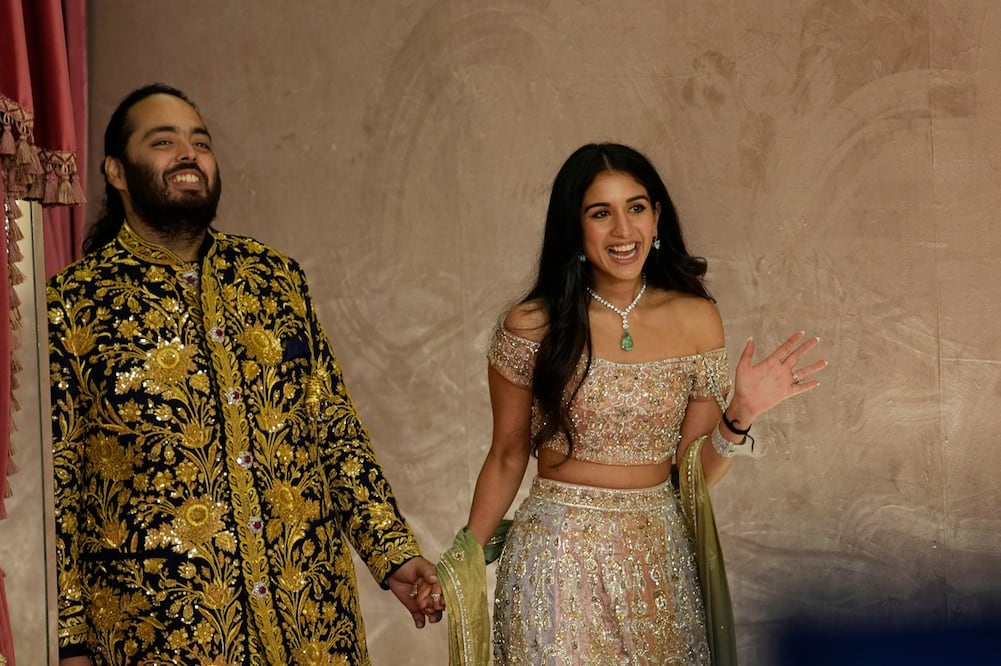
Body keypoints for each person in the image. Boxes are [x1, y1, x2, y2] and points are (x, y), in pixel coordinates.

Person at [47, 83, 445, 665]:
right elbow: (62, 483)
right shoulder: (73, 305)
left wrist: (390, 553)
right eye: (164, 141)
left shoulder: (273, 279)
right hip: (162, 634)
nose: (189, 153)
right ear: (116, 171)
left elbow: (333, 429)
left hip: (309, 621)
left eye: (200, 142)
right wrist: (70, 639)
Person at [463, 143, 826, 665]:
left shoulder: (696, 319)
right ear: (575, 226)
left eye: (635, 208)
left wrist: (741, 410)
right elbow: (506, 454)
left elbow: (691, 473)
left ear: (656, 218)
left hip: (657, 564)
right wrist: (466, 556)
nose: (622, 230)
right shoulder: (533, 325)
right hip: (556, 562)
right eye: (600, 213)